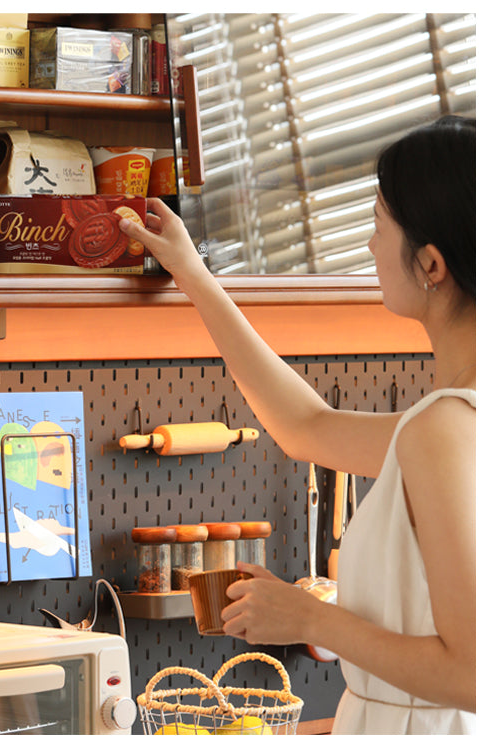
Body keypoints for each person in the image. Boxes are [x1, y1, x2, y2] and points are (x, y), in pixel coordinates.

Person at [118, 115, 476, 735]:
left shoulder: (444, 429)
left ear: (432, 264)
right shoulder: (453, 419)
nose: (368, 246)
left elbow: (476, 674)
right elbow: (307, 425)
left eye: (377, 226)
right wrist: (195, 276)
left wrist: (308, 620)